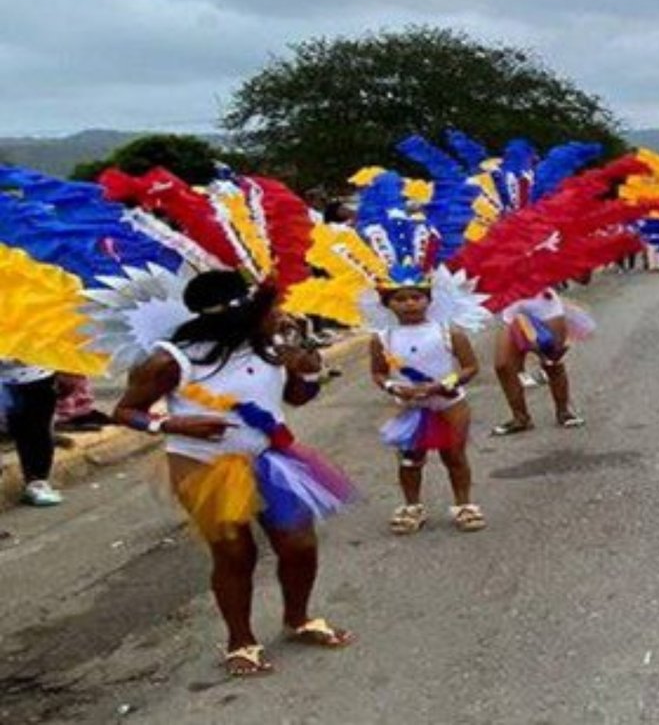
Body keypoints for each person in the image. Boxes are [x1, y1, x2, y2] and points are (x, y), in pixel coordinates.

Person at [112, 271, 353, 677]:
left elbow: (298, 397)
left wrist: (306, 364)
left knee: (299, 545)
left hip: (270, 456)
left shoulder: (270, 346)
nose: (278, 314)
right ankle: (240, 640)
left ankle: (298, 618)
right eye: (268, 308)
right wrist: (172, 425)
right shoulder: (170, 360)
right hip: (203, 463)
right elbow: (124, 410)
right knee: (235, 554)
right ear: (235, 315)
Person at [368, 284, 485, 535]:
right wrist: (392, 387)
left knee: (454, 455)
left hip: (449, 403)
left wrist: (443, 385)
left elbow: (470, 367)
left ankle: (464, 504)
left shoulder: (447, 332)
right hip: (409, 406)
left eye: (416, 297)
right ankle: (412, 506)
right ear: (387, 304)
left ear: (429, 300)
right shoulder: (382, 338)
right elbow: (378, 372)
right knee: (410, 459)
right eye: (400, 299)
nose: (409, 303)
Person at [491, 288, 588, 434]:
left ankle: (563, 412)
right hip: (512, 308)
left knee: (552, 360)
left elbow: (583, 279)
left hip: (544, 307)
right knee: (503, 365)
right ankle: (521, 417)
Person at [1, 361, 62, 506]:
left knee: (38, 430)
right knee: (22, 427)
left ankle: (37, 481)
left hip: (38, 374)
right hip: (5, 377)